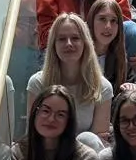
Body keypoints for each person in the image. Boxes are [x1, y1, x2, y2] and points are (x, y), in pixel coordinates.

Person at [27, 13, 112, 150]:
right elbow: (34, 134)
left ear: (85, 44)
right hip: (48, 156)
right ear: (53, 45)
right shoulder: (37, 83)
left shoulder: (102, 87)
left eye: (75, 38)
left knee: (88, 139)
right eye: (61, 39)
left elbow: (98, 143)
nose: (68, 44)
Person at [89, 0, 132, 93]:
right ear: (91, 22)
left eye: (113, 21)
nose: (108, 26)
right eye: (102, 19)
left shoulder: (121, 58)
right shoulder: (78, 55)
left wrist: (130, 87)